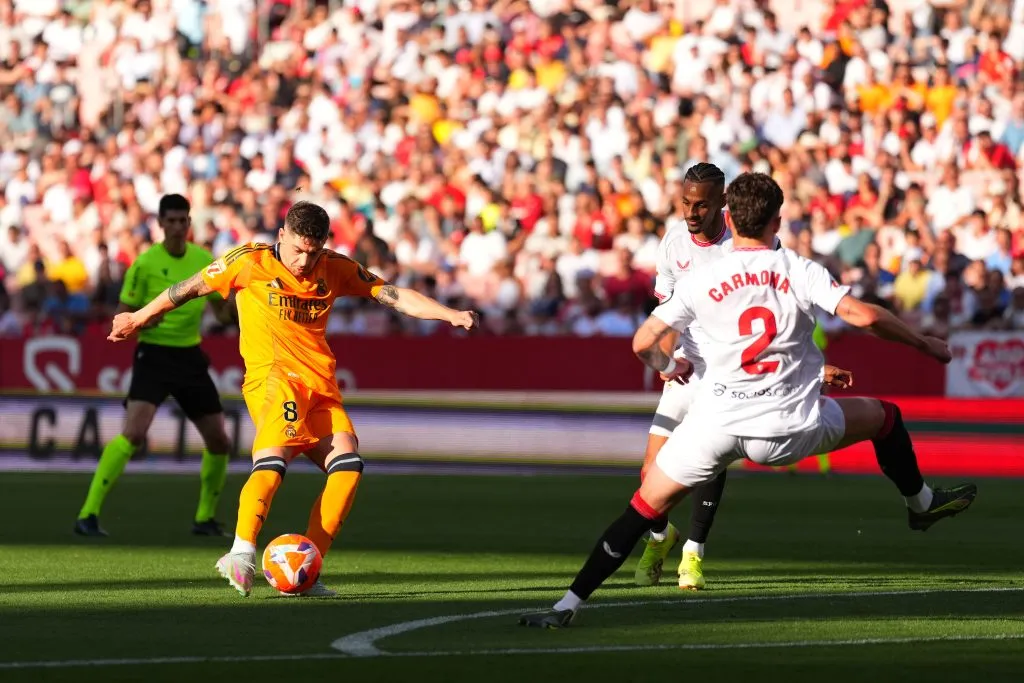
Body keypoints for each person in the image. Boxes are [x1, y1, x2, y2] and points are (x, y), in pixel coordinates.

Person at [520, 173, 975, 629]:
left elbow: (643, 341)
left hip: (718, 424)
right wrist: (922, 343)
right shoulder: (798, 269)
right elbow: (863, 316)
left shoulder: (702, 278)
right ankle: (921, 505)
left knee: (642, 507)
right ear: (777, 220)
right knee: (885, 417)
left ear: (729, 218)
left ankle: (566, 607)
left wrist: (666, 364)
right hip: (790, 428)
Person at [108, 201, 479, 597]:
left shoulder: (334, 267)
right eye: (298, 250)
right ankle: (241, 551)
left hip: (320, 386)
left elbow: (393, 294)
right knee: (276, 458)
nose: (304, 260)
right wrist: (138, 317)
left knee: (349, 465)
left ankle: (306, 568)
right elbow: (187, 288)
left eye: (313, 252)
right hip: (274, 379)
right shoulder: (248, 262)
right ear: (281, 236)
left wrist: (449, 314)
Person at [636, 163, 850, 590]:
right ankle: (662, 538)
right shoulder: (673, 243)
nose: (692, 213)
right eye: (685, 203)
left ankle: (693, 554)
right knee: (649, 475)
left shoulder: (746, 250)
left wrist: (809, 366)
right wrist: (668, 360)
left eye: (701, 205)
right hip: (685, 368)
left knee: (708, 461)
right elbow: (664, 310)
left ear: (724, 207)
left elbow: (777, 316)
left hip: (728, 372)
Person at [75, 194, 235, 537]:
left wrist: (235, 305)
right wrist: (143, 323)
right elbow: (120, 319)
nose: (178, 226)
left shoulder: (204, 259)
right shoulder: (145, 264)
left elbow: (222, 314)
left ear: (190, 224)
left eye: (183, 220)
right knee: (133, 433)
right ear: (161, 224)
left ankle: (204, 519)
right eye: (172, 220)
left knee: (220, 441)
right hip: (154, 356)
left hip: (190, 357)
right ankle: (88, 514)